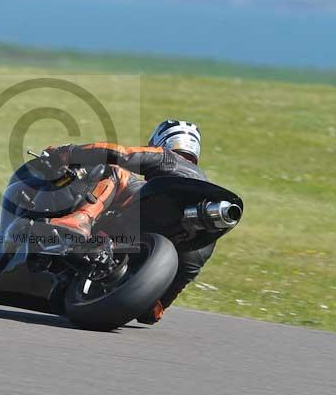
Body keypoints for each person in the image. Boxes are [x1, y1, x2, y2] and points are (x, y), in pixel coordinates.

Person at [43, 119, 216, 324]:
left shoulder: (168, 157)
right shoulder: (201, 189)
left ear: (162, 140)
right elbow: (152, 313)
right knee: (160, 300)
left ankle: (80, 219)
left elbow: (121, 154)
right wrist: (153, 300)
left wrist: (68, 152)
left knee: (114, 169)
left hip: (152, 212)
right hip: (197, 236)